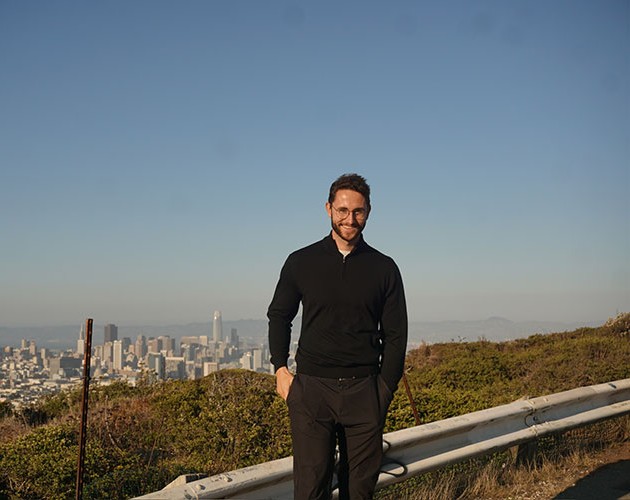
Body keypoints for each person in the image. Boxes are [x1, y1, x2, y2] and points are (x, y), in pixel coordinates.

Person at [268, 173, 408, 499]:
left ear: (368, 212)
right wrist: (280, 370)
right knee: (310, 489)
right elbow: (279, 315)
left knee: (358, 491)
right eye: (343, 210)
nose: (350, 219)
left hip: (365, 391)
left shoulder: (384, 268)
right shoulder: (300, 261)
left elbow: (396, 334)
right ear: (328, 208)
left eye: (358, 211)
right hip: (312, 391)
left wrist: (383, 391)